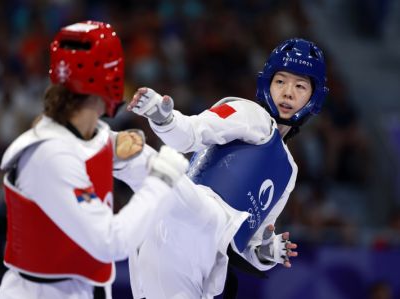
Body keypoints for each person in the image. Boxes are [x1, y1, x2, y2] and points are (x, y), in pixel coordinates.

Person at [0, 20, 189, 299]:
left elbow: (97, 147)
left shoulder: (93, 134)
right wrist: (161, 181)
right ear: (111, 76)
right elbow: (111, 242)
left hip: (83, 287)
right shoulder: (50, 155)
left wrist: (123, 147)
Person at [126, 38, 328, 298]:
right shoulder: (249, 115)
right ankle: (122, 155)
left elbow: (251, 239)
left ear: (315, 97)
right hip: (182, 223)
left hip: (203, 261)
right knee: (185, 194)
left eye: (300, 86)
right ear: (267, 82)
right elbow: (189, 133)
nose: (288, 93)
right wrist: (163, 117)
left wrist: (266, 253)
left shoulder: (288, 171)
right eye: (281, 81)